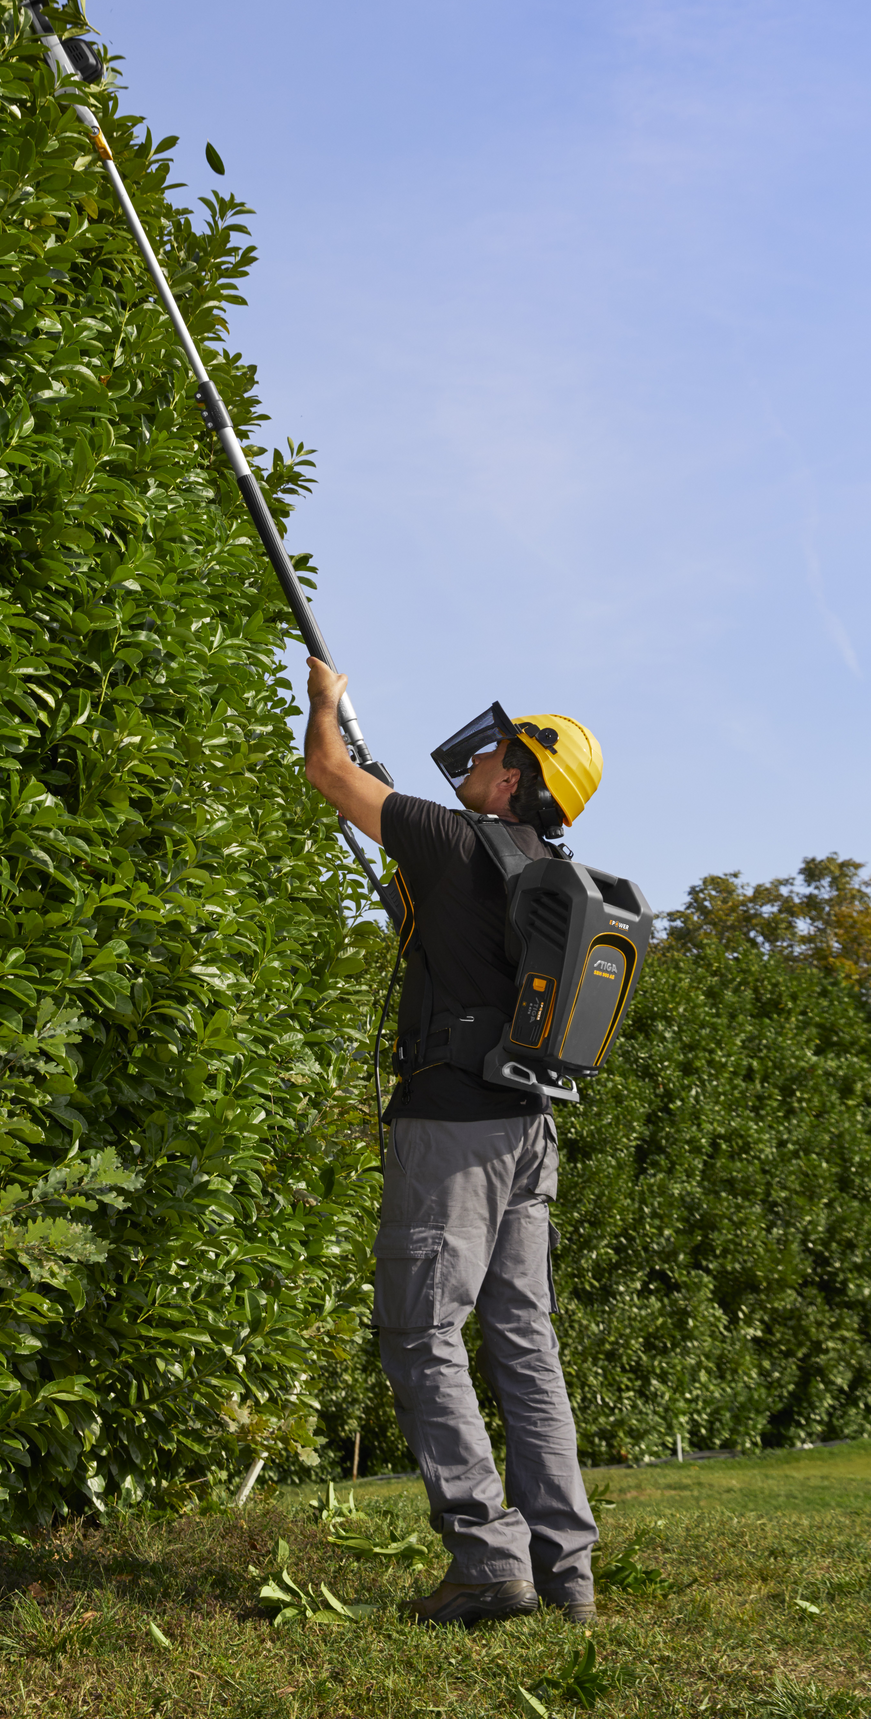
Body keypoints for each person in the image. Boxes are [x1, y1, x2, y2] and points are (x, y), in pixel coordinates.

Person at [303, 655, 605, 1629]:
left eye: (494, 752)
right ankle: (569, 1575)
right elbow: (442, 936)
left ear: (514, 777)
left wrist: (326, 704)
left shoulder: (451, 838)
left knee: (423, 1332)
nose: (474, 758)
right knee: (525, 1343)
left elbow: (328, 775)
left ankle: (486, 1561)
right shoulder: (545, 875)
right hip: (528, 1128)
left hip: (453, 1126)